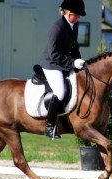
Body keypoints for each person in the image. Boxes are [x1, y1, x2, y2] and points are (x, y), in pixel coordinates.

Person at [39, 0, 86, 139]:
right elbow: (54, 54)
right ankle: (49, 126)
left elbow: (74, 47)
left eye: (79, 15)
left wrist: (80, 62)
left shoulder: (74, 25)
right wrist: (72, 62)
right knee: (60, 92)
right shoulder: (57, 27)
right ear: (66, 12)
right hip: (52, 64)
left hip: (65, 64)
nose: (78, 18)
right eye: (75, 15)